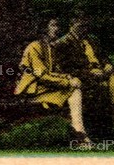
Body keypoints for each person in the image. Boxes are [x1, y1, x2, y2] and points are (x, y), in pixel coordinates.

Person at [14, 17, 92, 149]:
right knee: (73, 89)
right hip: (33, 90)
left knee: (75, 90)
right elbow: (42, 75)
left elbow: (54, 71)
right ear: (44, 29)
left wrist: (67, 77)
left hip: (46, 88)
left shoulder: (51, 47)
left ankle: (78, 132)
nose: (57, 29)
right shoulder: (34, 47)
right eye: (53, 26)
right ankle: (79, 134)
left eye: (58, 26)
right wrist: (67, 82)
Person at [59, 12, 114, 139]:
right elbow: (66, 69)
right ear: (71, 25)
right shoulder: (63, 44)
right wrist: (89, 73)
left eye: (86, 26)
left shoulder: (93, 40)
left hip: (103, 73)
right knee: (103, 86)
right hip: (85, 77)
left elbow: (104, 58)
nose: (84, 29)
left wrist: (108, 66)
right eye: (80, 26)